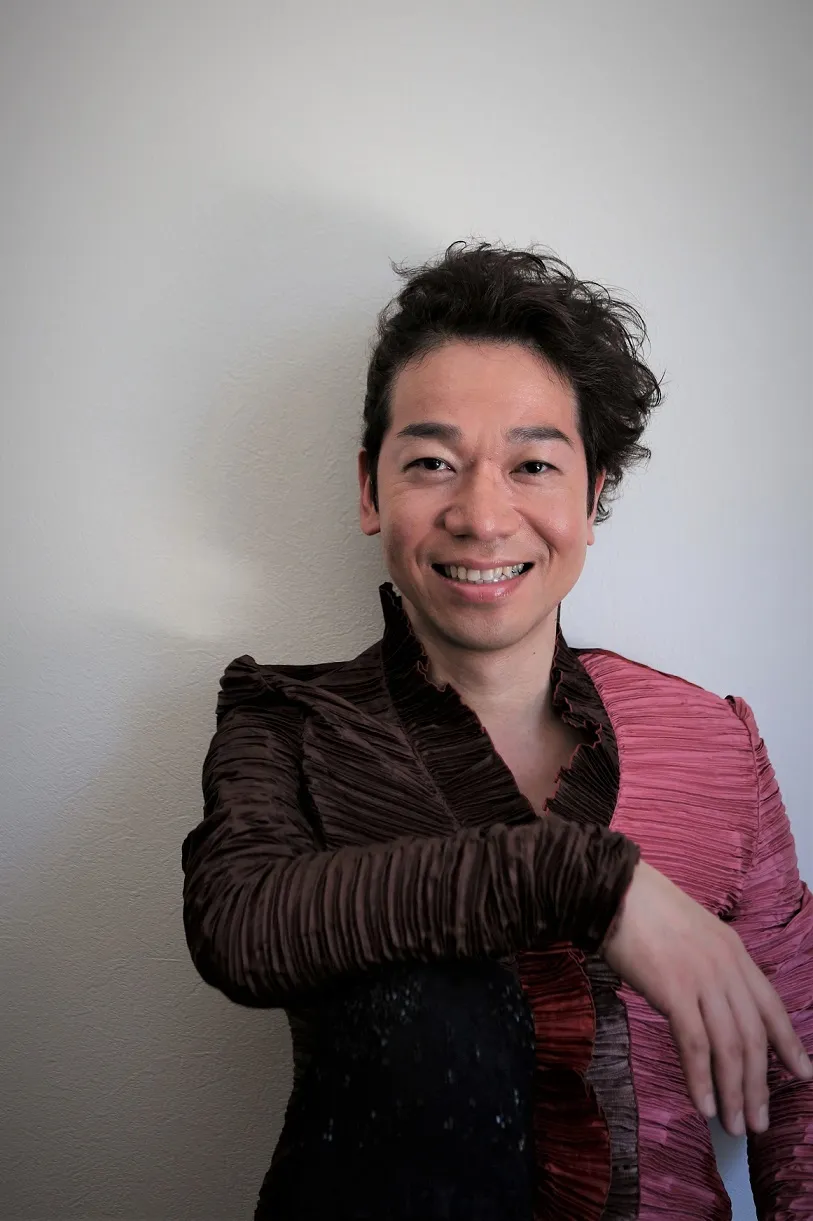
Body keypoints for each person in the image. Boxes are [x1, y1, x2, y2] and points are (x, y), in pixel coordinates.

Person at [181, 244, 813, 1220]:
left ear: (593, 497)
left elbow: (798, 1072)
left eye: (533, 465)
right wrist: (587, 881)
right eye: (432, 462)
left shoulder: (712, 739)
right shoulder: (287, 722)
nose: (482, 515)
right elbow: (241, 925)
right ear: (370, 489)